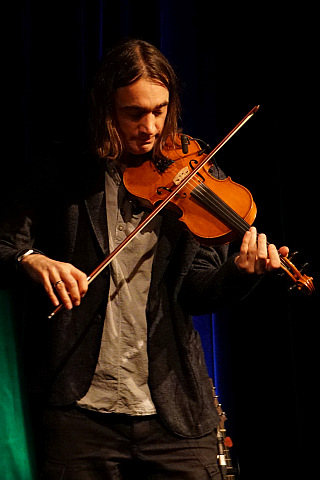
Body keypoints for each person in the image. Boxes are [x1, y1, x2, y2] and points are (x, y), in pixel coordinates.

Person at [0, 38, 288, 480]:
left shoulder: (196, 174)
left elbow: (197, 290)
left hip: (172, 407)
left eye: (159, 110)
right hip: (79, 410)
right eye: (134, 113)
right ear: (105, 110)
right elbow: (6, 240)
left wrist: (239, 274)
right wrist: (32, 259)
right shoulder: (64, 169)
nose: (150, 128)